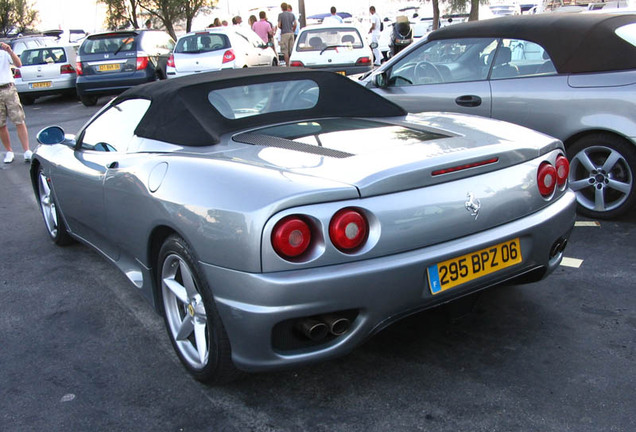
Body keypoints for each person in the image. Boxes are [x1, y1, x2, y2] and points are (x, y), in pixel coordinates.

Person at [0, 42, 30, 164]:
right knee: (1, 124)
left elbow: (18, 64)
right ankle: (9, 151)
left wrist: (10, 51)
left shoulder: (4, 53)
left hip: (9, 89)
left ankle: (27, 150)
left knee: (19, 120)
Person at [278, 2, 296, 67]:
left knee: (285, 50)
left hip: (284, 33)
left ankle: (287, 65)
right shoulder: (292, 15)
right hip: (291, 33)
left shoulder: (280, 15)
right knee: (291, 49)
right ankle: (292, 63)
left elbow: (279, 25)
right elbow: (295, 24)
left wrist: (282, 28)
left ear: (281, 8)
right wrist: (292, 30)